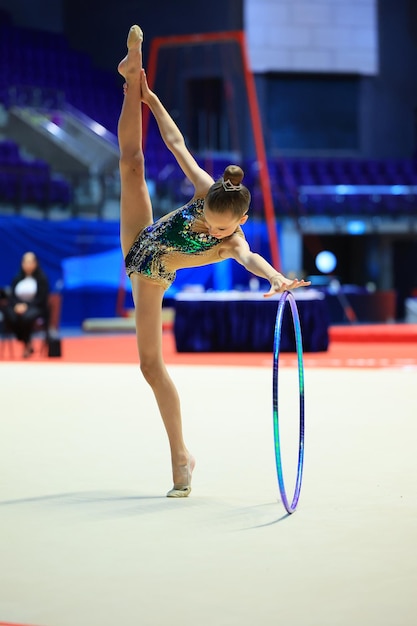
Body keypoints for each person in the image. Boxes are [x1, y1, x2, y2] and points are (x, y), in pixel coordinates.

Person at [117, 25, 310, 498]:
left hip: (151, 273)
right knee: (132, 162)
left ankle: (180, 455)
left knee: (149, 366)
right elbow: (176, 143)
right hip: (144, 237)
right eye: (208, 219)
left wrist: (279, 279)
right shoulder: (208, 191)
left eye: (223, 229)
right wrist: (150, 98)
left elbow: (252, 260)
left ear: (240, 220)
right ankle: (131, 75)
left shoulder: (233, 241)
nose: (212, 230)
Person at [3, 251, 49, 358]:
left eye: (30, 262)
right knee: (10, 315)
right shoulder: (17, 278)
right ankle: (26, 342)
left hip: (35, 307)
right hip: (18, 307)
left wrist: (27, 305)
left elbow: (42, 298)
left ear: (35, 263)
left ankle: (27, 343)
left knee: (26, 317)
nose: (27, 264)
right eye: (25, 262)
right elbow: (12, 296)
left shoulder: (41, 279)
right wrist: (17, 305)